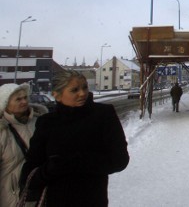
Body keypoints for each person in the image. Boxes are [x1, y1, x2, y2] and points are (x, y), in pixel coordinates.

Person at [19, 69, 129, 206]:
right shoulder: (46, 122)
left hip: (92, 200)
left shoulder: (103, 115)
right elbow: (29, 173)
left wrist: (77, 162)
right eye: (74, 90)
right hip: (54, 200)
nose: (83, 93)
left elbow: (120, 160)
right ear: (57, 96)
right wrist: (50, 169)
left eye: (84, 87)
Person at [0, 83, 48, 207]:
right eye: (18, 99)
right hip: (11, 198)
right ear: (5, 103)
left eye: (25, 97)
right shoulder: (2, 131)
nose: (24, 101)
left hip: (42, 193)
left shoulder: (41, 122)